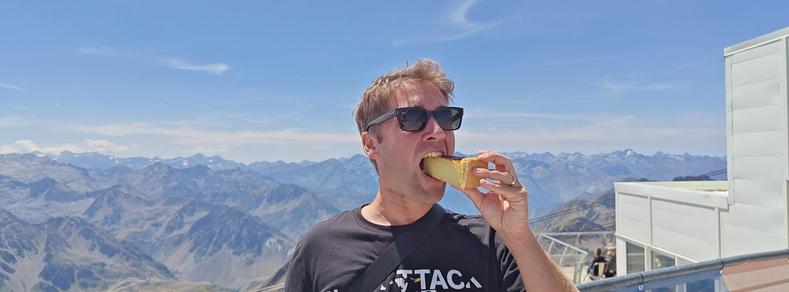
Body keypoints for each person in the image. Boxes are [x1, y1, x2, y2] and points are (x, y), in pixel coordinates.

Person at [284, 59, 577, 291]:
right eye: (413, 118)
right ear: (371, 144)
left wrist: (519, 235)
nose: (438, 132)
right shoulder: (319, 248)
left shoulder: (491, 241)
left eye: (446, 117)